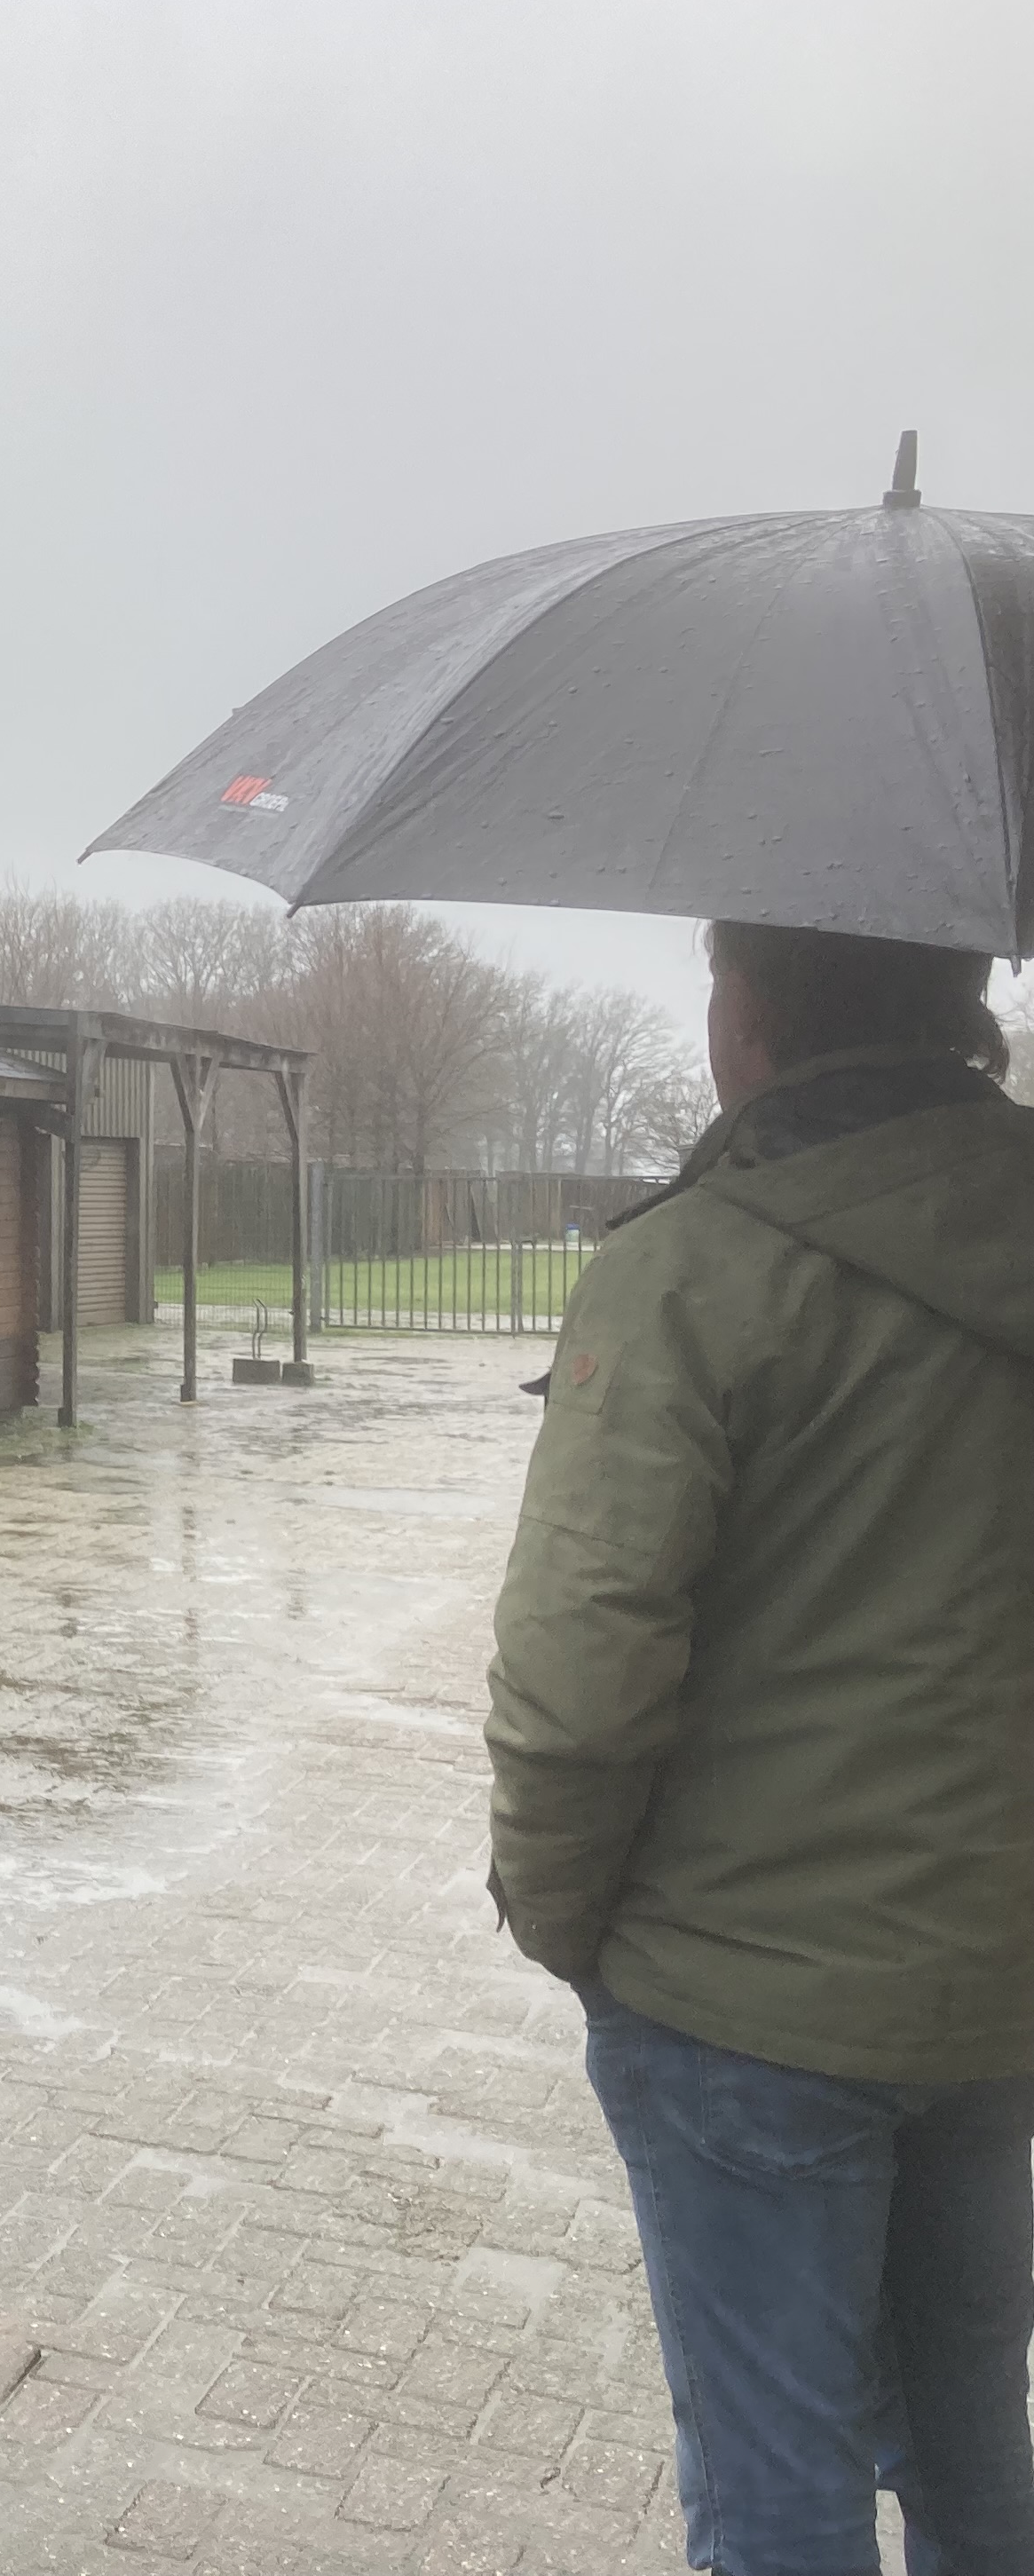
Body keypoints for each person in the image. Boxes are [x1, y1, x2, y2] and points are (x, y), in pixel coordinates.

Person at [485, 921, 1034, 2574]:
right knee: (973, 2447)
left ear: (759, 1010)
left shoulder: (692, 1267)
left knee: (776, 2485)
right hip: (994, 1983)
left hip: (743, 2000)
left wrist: (566, 1921)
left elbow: (579, 1675)